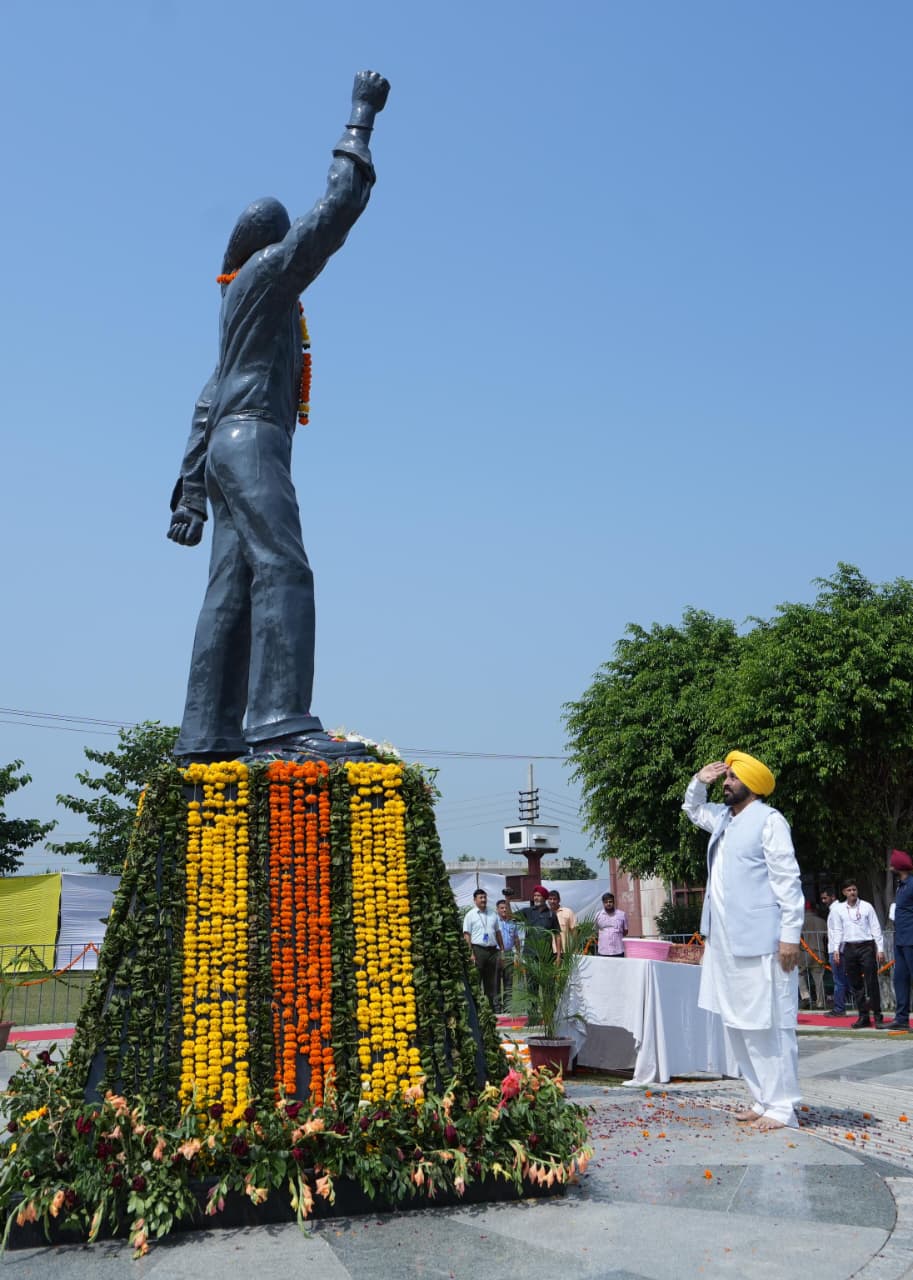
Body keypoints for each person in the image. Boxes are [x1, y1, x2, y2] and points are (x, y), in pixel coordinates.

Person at [168, 71, 390, 761]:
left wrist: (192, 492)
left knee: (230, 589)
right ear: (267, 246)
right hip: (253, 441)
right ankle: (279, 722)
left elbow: (207, 396)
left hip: (228, 450)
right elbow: (338, 207)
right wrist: (360, 117)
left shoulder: (238, 306)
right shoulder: (266, 279)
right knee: (285, 568)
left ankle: (205, 737)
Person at [683, 751, 804, 1131]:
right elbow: (692, 809)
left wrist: (790, 936)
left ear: (751, 784)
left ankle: (783, 1107)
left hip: (764, 945)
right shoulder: (722, 818)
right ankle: (762, 1098)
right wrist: (699, 780)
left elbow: (788, 881)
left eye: (733, 777)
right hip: (725, 943)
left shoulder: (769, 821)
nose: (727, 782)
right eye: (726, 777)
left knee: (769, 1025)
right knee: (737, 1025)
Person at [829, 880, 886, 1028]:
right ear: (844, 893)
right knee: (856, 984)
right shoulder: (839, 910)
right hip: (849, 948)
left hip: (866, 946)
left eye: (854, 889)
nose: (852, 892)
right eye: (849, 890)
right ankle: (863, 1016)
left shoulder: (866, 906)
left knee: (871, 982)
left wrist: (880, 948)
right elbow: (837, 930)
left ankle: (878, 1015)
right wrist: (836, 949)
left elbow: (875, 927)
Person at [886, 850, 913, 1031]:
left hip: (911, 938)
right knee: (900, 979)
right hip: (901, 939)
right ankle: (901, 1018)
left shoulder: (911, 884)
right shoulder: (901, 885)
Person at [462, 889, 502, 1008]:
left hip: (492, 950)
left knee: (491, 981)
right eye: (481, 898)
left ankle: (491, 1007)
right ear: (475, 900)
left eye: (485, 897)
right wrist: (470, 953)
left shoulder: (492, 913)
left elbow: (498, 932)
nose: (484, 900)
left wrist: (502, 949)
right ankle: (477, 1007)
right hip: (478, 950)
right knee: (477, 979)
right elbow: (467, 935)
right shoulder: (470, 915)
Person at [799, 902, 827, 1009]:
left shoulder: (801, 921)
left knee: (799, 974)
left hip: (805, 952)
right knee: (819, 979)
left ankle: (805, 996)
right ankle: (820, 1002)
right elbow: (826, 938)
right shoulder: (822, 921)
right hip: (820, 952)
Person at [495, 899, 520, 1014]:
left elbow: (516, 938)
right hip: (496, 953)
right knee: (495, 981)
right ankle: (496, 1007)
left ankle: (508, 1006)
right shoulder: (494, 921)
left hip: (509, 953)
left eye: (506, 908)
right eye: (502, 908)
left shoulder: (512, 922)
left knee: (509, 981)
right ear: (497, 909)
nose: (504, 910)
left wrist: (518, 953)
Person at [595, 892, 628, 957]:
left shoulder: (622, 914)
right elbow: (596, 931)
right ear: (603, 903)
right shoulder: (598, 915)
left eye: (610, 902)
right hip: (603, 951)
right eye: (606, 902)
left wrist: (616, 936)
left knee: (619, 967)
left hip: (618, 951)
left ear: (614, 902)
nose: (608, 904)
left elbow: (625, 931)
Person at [546, 890, 577, 956]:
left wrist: (575, 948)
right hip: (547, 952)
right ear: (547, 900)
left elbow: (574, 931)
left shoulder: (568, 912)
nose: (552, 901)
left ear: (559, 900)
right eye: (550, 899)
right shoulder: (544, 914)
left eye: (554, 899)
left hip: (565, 951)